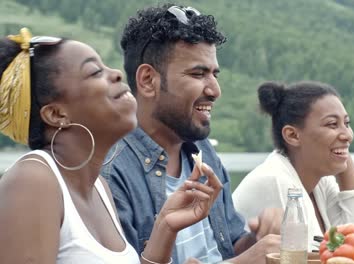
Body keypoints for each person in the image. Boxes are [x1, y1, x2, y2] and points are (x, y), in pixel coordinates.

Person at [0, 28, 223, 264]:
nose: (116, 73)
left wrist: (165, 227)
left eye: (105, 66)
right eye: (95, 72)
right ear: (56, 114)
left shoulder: (100, 188)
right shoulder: (33, 181)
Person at [101, 3, 281, 264]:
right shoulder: (110, 173)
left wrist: (258, 239)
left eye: (214, 74)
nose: (215, 90)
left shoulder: (202, 150)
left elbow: (228, 245)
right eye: (198, 73)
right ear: (148, 81)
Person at [232, 81, 354, 250]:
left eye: (347, 124)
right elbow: (310, 257)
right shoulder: (275, 180)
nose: (348, 135)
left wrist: (341, 152)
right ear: (292, 135)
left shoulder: (319, 181)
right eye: (332, 124)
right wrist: (338, 148)